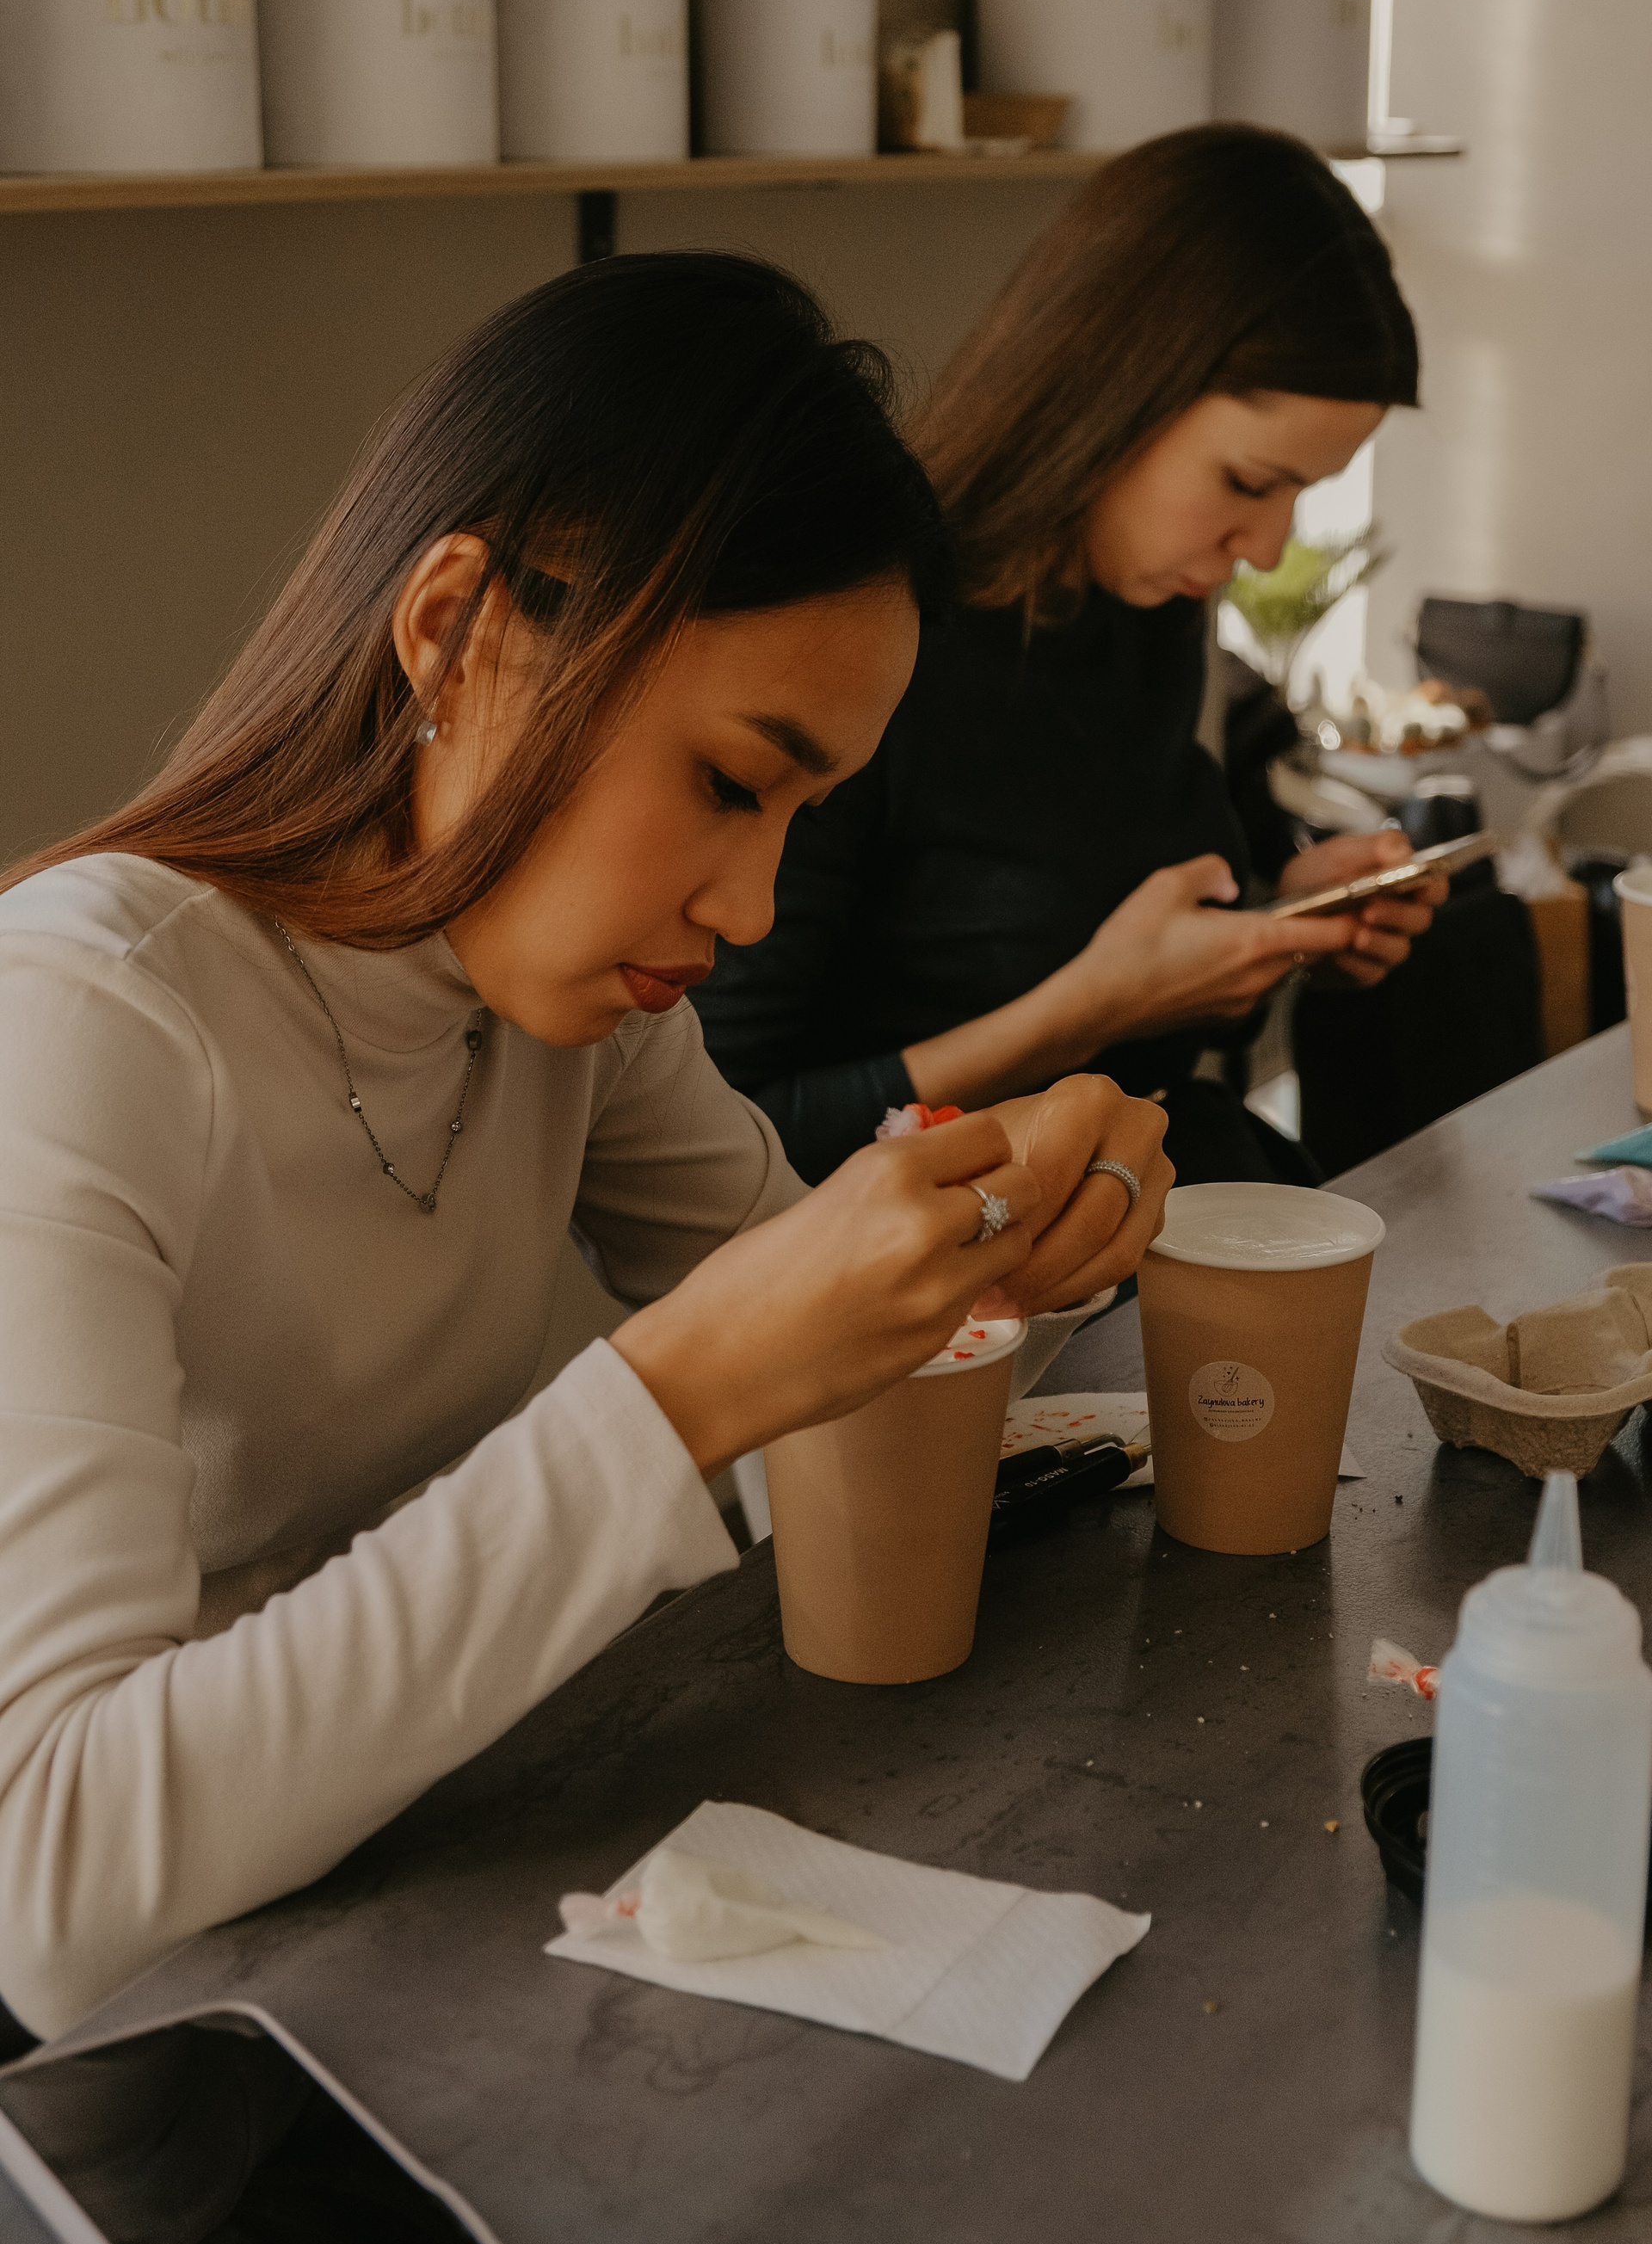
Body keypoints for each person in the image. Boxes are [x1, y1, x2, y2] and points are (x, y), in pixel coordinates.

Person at [0, 258, 1172, 2109]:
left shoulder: (567, 1013)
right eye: (727, 781)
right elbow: (52, 1896)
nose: (753, 906)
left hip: (376, 1911)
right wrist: (677, 1392)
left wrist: (1015, 1227)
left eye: (803, 817)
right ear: (455, 631)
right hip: (117, 2057)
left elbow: (839, 1356)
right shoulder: (84, 1022)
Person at [692, 126, 1445, 1189]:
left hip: (1122, 1223)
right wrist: (1087, 1012)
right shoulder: (866, 641)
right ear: (1116, 391)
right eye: (1247, 483)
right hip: (925, 1274)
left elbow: (1095, 930)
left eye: (1301, 496)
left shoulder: (1142, 613)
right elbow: (725, 1143)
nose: (1268, 549)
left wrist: (1274, 925)